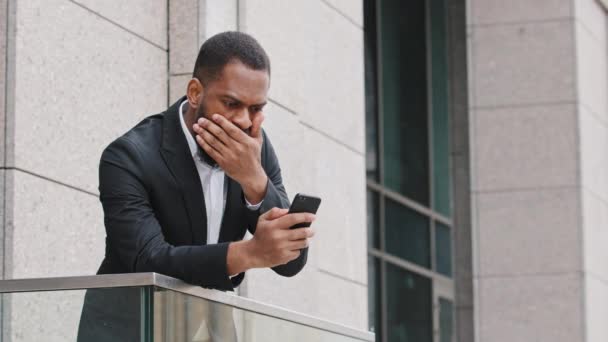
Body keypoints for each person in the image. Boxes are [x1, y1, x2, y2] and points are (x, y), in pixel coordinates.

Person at [77, 31, 315, 341]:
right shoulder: (129, 156)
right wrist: (250, 253)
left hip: (210, 331)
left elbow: (290, 262)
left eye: (256, 109)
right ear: (194, 93)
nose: (243, 120)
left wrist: (253, 179)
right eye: (231, 103)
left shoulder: (253, 147)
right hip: (130, 330)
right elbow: (149, 259)